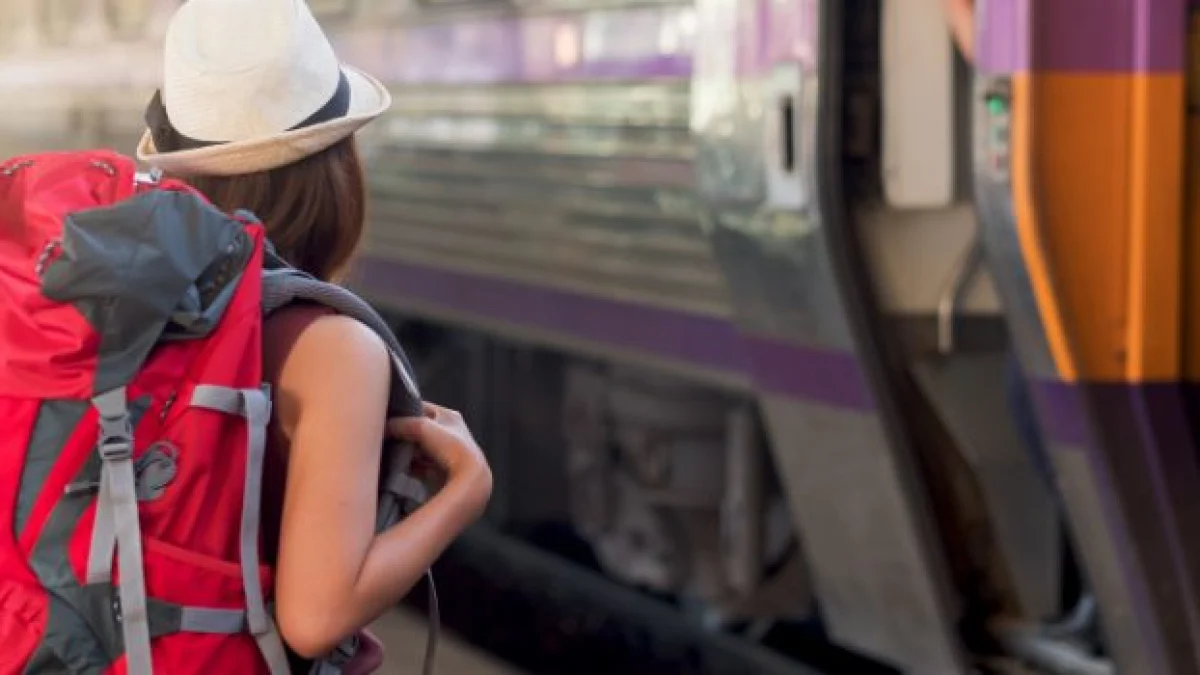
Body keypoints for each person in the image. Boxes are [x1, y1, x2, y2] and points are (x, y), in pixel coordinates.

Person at [135, 0, 493, 666]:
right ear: (337, 174)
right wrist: (467, 490)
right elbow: (315, 616)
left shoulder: (130, 303)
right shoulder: (332, 348)